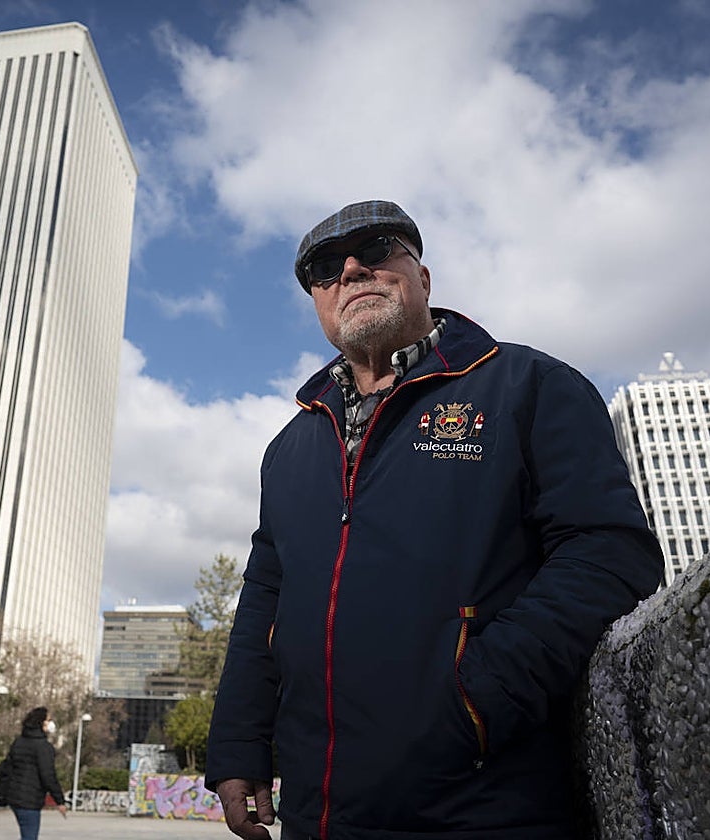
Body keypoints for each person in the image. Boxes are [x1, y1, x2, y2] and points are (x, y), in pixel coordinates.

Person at [205, 200, 663, 840]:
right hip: (315, 815)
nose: (351, 270)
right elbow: (264, 598)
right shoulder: (290, 447)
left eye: (377, 250)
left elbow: (610, 552)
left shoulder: (529, 385)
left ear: (422, 276)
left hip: (481, 809)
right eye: (326, 268)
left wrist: (475, 698)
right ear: (318, 302)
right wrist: (238, 744)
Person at [3, 706, 68, 840]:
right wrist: (59, 800)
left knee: (26, 834)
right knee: (29, 836)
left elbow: (8, 766)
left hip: (14, 796)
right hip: (30, 799)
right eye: (48, 720)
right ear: (41, 723)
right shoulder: (43, 747)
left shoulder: (19, 742)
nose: (51, 723)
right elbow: (48, 776)